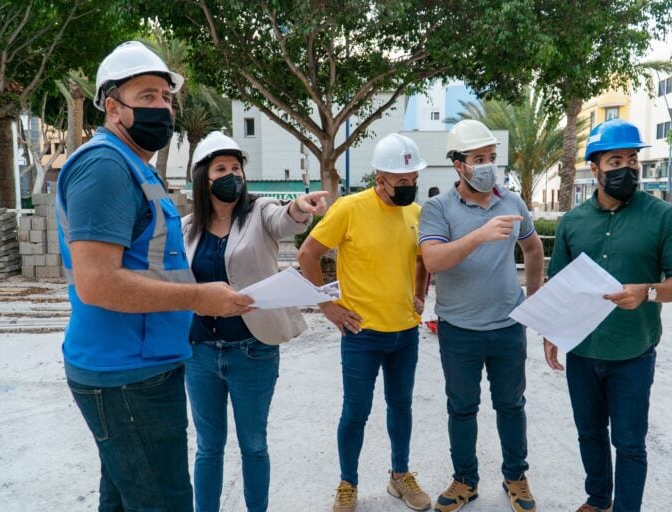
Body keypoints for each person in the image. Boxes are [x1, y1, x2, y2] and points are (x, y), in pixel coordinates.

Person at [55, 42, 254, 511]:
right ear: (112, 106)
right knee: (162, 501)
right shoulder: (104, 166)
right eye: (147, 96)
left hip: (139, 365)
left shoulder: (132, 166)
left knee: (125, 499)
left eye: (166, 97)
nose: (162, 108)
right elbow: (97, 282)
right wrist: (198, 298)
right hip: (126, 373)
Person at [543, 119, 672, 512]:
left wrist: (647, 292)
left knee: (629, 442)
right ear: (594, 169)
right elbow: (558, 282)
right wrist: (551, 332)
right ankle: (597, 500)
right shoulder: (574, 222)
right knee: (589, 433)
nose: (627, 168)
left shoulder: (664, 218)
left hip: (632, 352)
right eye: (615, 161)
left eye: (633, 160)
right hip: (583, 350)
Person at [182, 131, 328, 512]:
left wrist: (301, 206)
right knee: (208, 447)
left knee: (253, 444)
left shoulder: (258, 212)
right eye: (221, 168)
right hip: (199, 353)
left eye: (236, 168)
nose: (232, 174)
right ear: (203, 177)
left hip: (253, 350)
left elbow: (285, 219)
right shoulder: (187, 227)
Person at [297, 133, 432, 512]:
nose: (408, 186)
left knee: (401, 405)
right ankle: (348, 483)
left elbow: (423, 260)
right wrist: (329, 307)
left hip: (405, 331)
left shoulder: (416, 214)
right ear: (380, 177)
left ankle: (399, 475)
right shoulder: (349, 208)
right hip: (361, 333)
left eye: (412, 179)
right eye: (400, 180)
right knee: (355, 411)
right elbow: (308, 254)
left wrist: (421, 293)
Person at [418, 119, 543, 512]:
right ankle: (465, 481)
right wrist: (478, 235)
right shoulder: (438, 208)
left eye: (491, 157)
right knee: (462, 407)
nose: (488, 165)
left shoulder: (512, 202)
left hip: (508, 326)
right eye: (478, 158)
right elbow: (433, 258)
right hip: (459, 330)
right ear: (459, 164)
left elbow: (534, 250)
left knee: (511, 405)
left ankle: (515, 477)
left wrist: (535, 303)